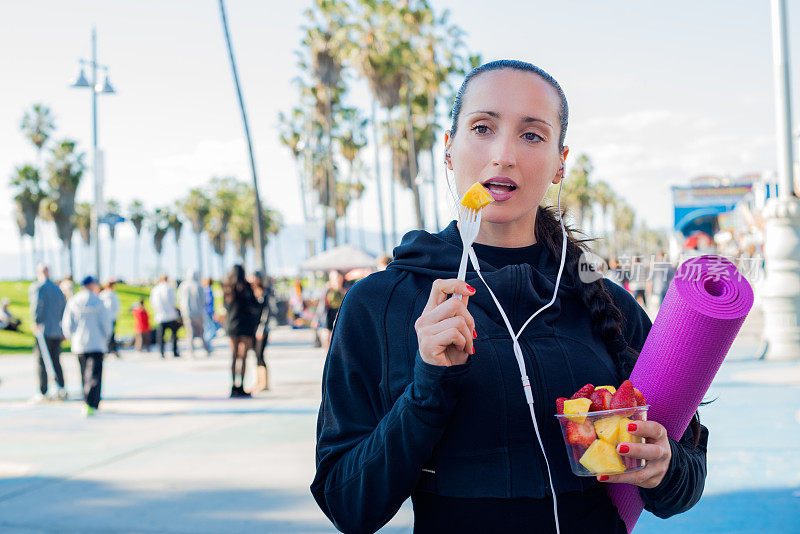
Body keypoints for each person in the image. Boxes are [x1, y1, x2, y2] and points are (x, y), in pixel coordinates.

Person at [312, 60, 708, 533]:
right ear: (448, 148)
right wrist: (429, 385)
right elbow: (348, 506)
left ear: (560, 162)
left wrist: (664, 468)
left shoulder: (610, 305)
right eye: (483, 128)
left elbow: (686, 479)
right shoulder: (378, 304)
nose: (503, 155)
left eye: (532, 135)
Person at [62, 276, 112, 416]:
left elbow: (68, 323)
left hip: (80, 344)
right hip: (96, 343)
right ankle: (93, 402)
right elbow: (106, 323)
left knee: (84, 373)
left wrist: (71, 336)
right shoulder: (98, 301)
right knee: (95, 374)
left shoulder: (74, 301)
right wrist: (106, 337)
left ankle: (86, 399)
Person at [28, 263, 67, 401]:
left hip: (43, 331)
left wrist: (36, 321)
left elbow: (37, 306)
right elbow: (63, 308)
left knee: (42, 361)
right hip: (56, 330)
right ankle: (61, 387)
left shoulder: (38, 288)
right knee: (56, 360)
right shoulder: (57, 289)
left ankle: (43, 391)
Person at [222, 265, 259, 398]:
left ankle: (233, 385)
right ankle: (241, 385)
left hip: (232, 324)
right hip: (245, 325)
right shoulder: (246, 287)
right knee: (243, 357)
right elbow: (254, 305)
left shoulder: (227, 287)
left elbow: (225, 306)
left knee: (233, 356)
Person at [250, 272, 274, 393]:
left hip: (262, 329)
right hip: (253, 328)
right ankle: (258, 381)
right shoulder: (251, 293)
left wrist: (262, 327)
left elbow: (267, 312)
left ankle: (264, 383)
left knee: (260, 355)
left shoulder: (265, 293)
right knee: (256, 355)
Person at [177, 269, 210, 358]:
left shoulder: (183, 286)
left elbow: (179, 299)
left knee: (190, 333)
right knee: (201, 333)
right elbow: (203, 300)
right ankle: (207, 349)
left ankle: (191, 351)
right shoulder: (198, 285)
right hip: (198, 313)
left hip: (187, 313)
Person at [149, 274, 181, 358]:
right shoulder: (170, 288)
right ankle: (174, 351)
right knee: (174, 335)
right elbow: (173, 301)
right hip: (171, 315)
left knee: (161, 336)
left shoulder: (155, 289)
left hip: (160, 316)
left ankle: (162, 352)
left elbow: (153, 303)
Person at [320, 270, 345, 350]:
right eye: (335, 277)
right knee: (327, 335)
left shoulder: (344, 289)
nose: (337, 279)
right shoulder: (328, 289)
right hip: (329, 313)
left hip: (340, 312)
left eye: (338, 277)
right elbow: (322, 305)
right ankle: (328, 355)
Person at [99, 280, 121, 357]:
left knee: (108, 334)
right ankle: (111, 349)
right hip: (111, 317)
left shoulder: (102, 294)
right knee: (110, 334)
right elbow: (112, 306)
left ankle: (109, 349)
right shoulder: (111, 294)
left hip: (107, 317)